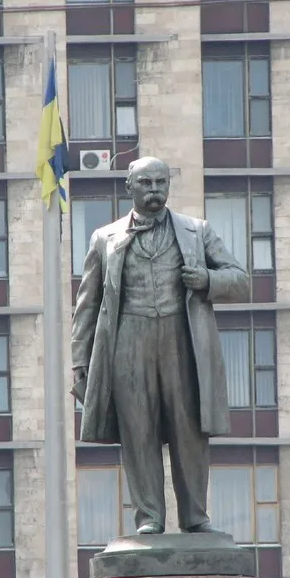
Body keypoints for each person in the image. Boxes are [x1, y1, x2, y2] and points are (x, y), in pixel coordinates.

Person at [71, 156, 249, 534]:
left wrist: (206, 280)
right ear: (129, 187)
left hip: (182, 340)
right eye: (146, 183)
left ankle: (195, 516)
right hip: (128, 342)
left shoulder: (196, 232)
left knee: (189, 431)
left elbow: (241, 279)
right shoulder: (105, 238)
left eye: (160, 183)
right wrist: (79, 360)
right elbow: (87, 305)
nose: (154, 190)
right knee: (138, 432)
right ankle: (149, 517)